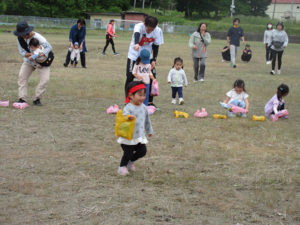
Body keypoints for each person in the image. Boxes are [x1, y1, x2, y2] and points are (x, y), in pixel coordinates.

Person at [117, 81, 153, 175]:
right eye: (140, 95)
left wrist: (149, 130)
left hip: (139, 136)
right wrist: (128, 117)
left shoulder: (144, 108)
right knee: (128, 153)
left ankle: (130, 162)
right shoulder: (128, 107)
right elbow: (124, 115)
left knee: (143, 151)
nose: (142, 97)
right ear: (131, 95)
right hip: (128, 136)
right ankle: (122, 167)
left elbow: (147, 120)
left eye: (144, 95)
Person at [14, 21, 53, 106]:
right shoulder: (20, 39)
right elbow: (22, 52)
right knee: (22, 77)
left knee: (45, 80)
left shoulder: (38, 37)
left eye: (23, 33)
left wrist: (41, 53)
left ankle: (37, 99)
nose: (22, 35)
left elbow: (49, 47)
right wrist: (31, 55)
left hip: (42, 62)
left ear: (28, 32)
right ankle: (22, 99)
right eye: (20, 34)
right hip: (29, 61)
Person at [125, 15, 164, 93]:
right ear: (144, 24)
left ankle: (149, 102)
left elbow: (156, 46)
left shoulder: (158, 30)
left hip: (147, 57)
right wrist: (136, 43)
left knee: (152, 77)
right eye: (148, 29)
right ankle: (128, 100)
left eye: (152, 29)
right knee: (130, 76)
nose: (150, 31)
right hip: (134, 55)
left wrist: (154, 60)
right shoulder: (139, 26)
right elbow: (137, 33)